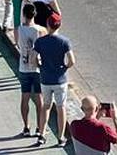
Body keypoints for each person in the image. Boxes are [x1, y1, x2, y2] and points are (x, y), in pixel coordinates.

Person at [33, 12, 76, 147]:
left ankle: (41, 134)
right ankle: (60, 137)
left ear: (48, 25)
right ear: (59, 26)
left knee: (46, 106)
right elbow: (72, 61)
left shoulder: (40, 41)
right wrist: (64, 67)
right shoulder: (64, 41)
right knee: (60, 108)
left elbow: (33, 58)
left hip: (45, 79)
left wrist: (39, 65)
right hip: (60, 80)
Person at [15, 2, 45, 138]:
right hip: (37, 68)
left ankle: (26, 127)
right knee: (39, 99)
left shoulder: (19, 29)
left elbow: (17, 44)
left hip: (24, 66)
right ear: (34, 15)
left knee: (25, 98)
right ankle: (40, 127)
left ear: (24, 15)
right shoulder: (40, 30)